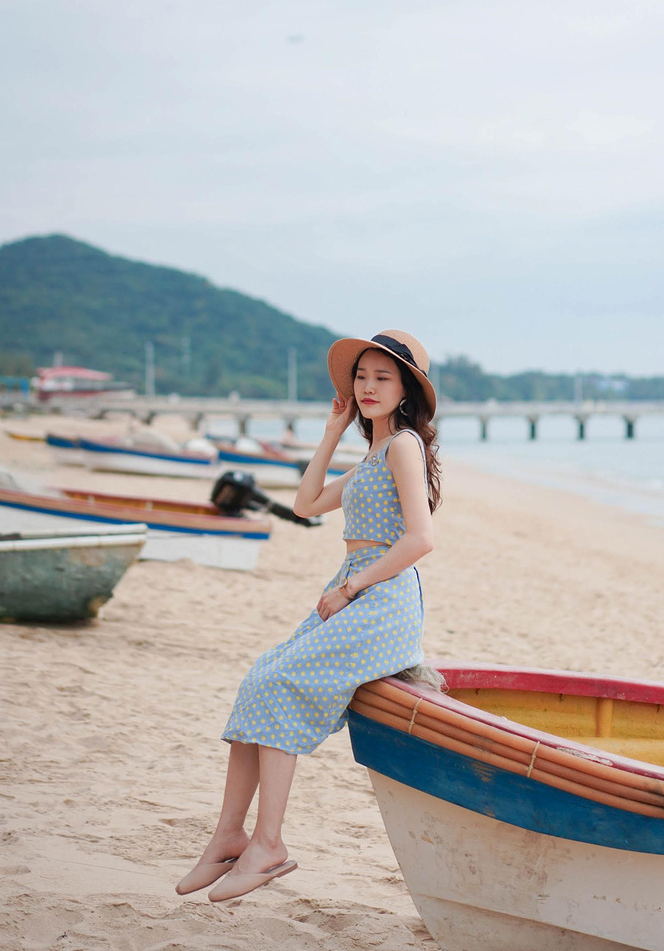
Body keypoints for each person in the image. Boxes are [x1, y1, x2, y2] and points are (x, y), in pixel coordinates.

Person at [175, 329, 441, 904]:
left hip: (381, 599)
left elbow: (421, 539)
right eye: (361, 377)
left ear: (406, 391)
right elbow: (305, 505)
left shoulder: (402, 448)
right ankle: (228, 836)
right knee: (257, 679)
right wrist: (332, 431)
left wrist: (352, 587)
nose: (367, 387)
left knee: (277, 683)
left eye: (383, 378)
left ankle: (267, 843)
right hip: (354, 591)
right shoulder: (374, 453)